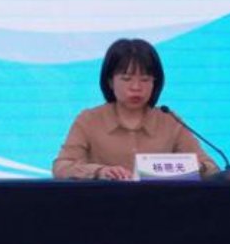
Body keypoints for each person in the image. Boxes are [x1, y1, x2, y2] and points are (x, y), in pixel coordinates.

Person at [51, 37, 217, 180]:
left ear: (155, 83)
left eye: (145, 80)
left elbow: (210, 167)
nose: (136, 87)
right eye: (126, 79)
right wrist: (99, 171)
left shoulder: (169, 121)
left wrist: (190, 168)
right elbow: (62, 167)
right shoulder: (89, 120)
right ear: (110, 82)